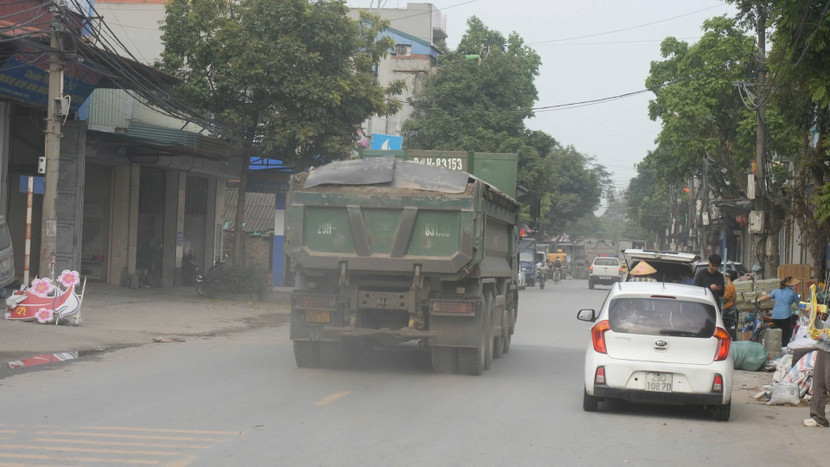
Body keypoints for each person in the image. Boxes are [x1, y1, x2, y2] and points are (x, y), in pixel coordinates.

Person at [756, 276, 800, 349]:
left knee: (777, 334)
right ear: (791, 285)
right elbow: (800, 305)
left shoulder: (777, 291)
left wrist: (757, 300)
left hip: (775, 316)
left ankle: (776, 349)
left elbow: (767, 296)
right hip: (785, 316)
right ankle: (783, 350)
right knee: (785, 335)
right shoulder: (793, 293)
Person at [804, 308, 830, 427]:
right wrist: (813, 318)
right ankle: (818, 417)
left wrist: (823, 335)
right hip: (823, 349)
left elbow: (825, 334)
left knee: (828, 382)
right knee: (819, 384)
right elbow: (824, 329)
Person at [721, 271, 738, 340]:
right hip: (729, 310)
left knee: (729, 331)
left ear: (729, 277)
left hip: (729, 311)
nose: (724, 277)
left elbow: (724, 299)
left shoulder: (730, 287)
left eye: (726, 275)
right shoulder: (729, 286)